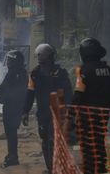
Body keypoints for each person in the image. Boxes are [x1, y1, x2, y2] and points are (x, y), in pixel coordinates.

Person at [23, 43, 72, 174]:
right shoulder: (35, 73)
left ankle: (56, 167)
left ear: (49, 56)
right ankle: (50, 167)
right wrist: (25, 111)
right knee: (45, 138)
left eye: (42, 55)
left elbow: (67, 92)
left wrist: (68, 110)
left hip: (57, 112)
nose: (39, 57)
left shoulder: (60, 72)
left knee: (54, 139)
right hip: (43, 112)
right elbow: (30, 93)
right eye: (38, 55)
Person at [70, 38, 110, 174]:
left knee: (87, 146)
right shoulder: (108, 69)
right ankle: (101, 170)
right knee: (99, 143)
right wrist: (107, 109)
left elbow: (78, 94)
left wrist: (70, 115)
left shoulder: (83, 70)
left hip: (87, 116)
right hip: (103, 115)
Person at [0, 50, 28, 168]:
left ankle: (13, 156)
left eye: (10, 60)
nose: (7, 62)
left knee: (11, 132)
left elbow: (3, 88)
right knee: (10, 132)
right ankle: (12, 155)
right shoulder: (18, 72)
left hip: (13, 107)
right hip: (13, 106)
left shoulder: (15, 73)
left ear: (15, 61)